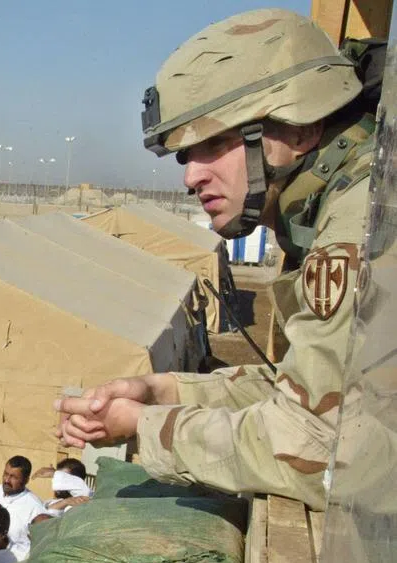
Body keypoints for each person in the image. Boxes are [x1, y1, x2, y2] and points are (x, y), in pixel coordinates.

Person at [56, 8, 379, 509]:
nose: (191, 177)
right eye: (187, 156)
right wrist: (159, 391)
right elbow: (303, 394)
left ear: (299, 130)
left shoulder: (365, 224)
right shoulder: (333, 207)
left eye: (215, 144)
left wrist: (144, 428)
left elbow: (314, 447)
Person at [0, 456, 45, 562]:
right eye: (5, 474)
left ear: (26, 480)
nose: (7, 480)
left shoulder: (35, 507)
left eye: (14, 477)